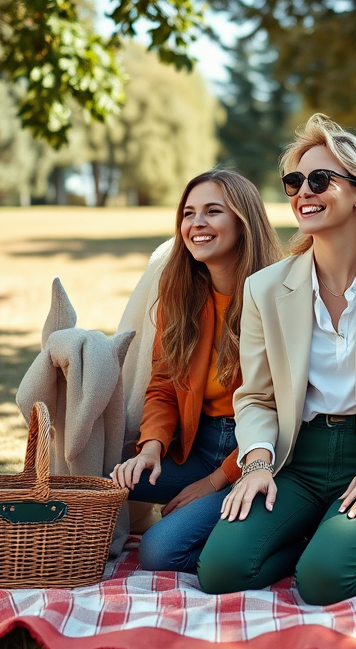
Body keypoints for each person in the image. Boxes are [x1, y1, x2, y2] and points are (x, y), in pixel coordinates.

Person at [196, 114, 356, 606]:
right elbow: (256, 397)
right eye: (294, 182)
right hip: (295, 460)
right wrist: (258, 463)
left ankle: (347, 550)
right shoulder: (265, 288)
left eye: (319, 180)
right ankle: (313, 538)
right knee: (220, 570)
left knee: (324, 581)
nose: (302, 193)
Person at [110, 170, 282, 572]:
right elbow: (165, 385)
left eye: (212, 211)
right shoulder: (183, 293)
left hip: (259, 455)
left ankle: (266, 538)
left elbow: (285, 414)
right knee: (106, 478)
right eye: (188, 213)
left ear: (244, 222)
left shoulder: (279, 295)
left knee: (159, 551)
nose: (196, 224)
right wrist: (151, 446)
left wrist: (213, 484)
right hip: (197, 445)